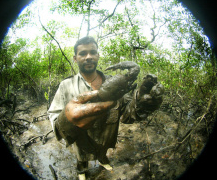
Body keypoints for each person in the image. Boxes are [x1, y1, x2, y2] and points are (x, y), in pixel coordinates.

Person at [47, 36, 164, 180]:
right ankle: (81, 170)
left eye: (92, 52)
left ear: (98, 55)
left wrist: (142, 101)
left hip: (106, 138)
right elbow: (54, 116)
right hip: (81, 142)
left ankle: (103, 160)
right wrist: (67, 120)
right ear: (75, 58)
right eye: (83, 53)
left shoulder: (117, 83)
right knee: (81, 157)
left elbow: (128, 115)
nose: (88, 57)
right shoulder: (66, 85)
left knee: (103, 153)